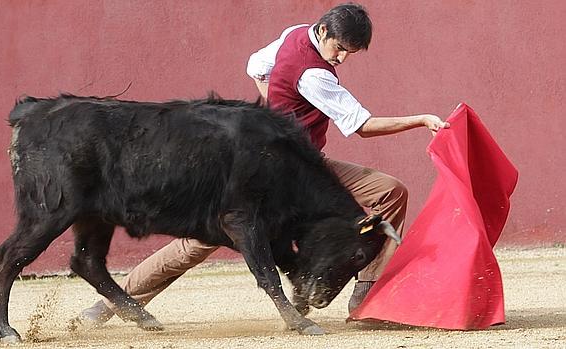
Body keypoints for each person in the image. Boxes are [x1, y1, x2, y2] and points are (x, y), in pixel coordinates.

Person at [76, 2, 449, 326]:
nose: (342, 59)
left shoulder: (295, 35)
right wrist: (421, 120)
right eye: (340, 49)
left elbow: (256, 66)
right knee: (199, 242)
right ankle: (111, 302)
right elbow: (361, 126)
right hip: (285, 176)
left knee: (389, 191)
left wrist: (275, 116)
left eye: (351, 53)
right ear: (323, 31)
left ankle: (365, 286)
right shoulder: (315, 75)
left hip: (292, 165)